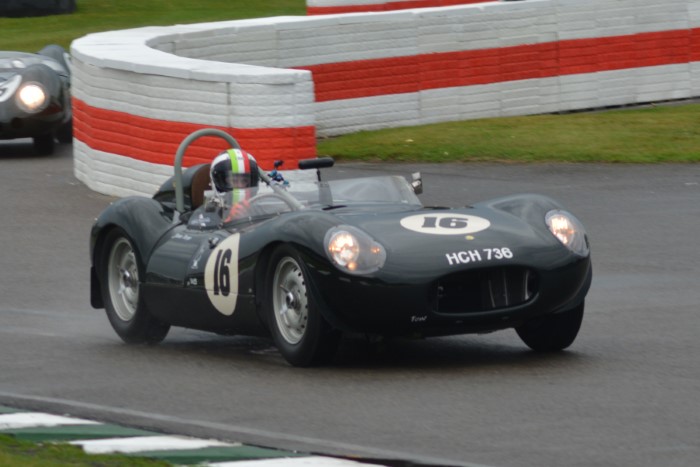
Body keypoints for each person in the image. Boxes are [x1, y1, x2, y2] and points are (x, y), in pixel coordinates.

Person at [209, 148, 259, 222]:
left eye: (244, 181)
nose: (240, 185)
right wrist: (230, 220)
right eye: (234, 181)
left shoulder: (259, 210)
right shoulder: (208, 212)